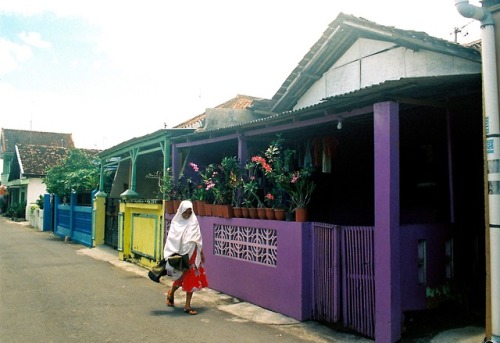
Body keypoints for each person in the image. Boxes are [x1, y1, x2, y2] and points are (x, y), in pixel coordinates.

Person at [163, 200, 208, 315]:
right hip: (181, 256)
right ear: (181, 211)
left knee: (191, 278)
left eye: (189, 212)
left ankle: (187, 305)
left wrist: (201, 253)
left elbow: (198, 240)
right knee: (180, 277)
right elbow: (172, 240)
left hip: (192, 255)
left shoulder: (194, 222)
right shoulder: (176, 223)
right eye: (185, 212)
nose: (187, 214)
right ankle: (171, 293)